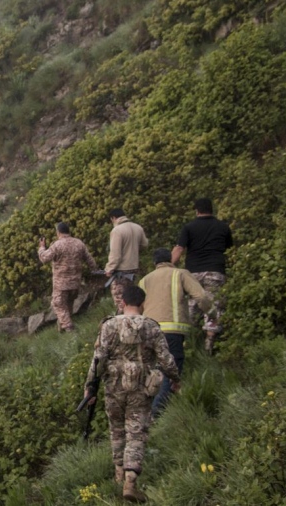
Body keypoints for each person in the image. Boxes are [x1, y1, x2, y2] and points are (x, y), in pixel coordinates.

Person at [83, 285, 181, 503]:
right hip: (141, 388)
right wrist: (175, 379)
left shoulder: (108, 325)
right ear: (143, 304)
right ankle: (130, 480)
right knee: (136, 432)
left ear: (123, 303)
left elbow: (98, 360)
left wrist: (90, 387)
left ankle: (118, 473)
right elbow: (166, 360)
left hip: (114, 387)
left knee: (116, 429)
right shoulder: (151, 327)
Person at [138, 248, 212, 418]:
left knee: (151, 371)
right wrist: (213, 313)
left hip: (148, 332)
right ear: (171, 260)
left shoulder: (144, 280)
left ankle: (143, 411)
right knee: (169, 370)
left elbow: (138, 307)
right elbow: (201, 296)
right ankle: (156, 414)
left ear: (155, 263)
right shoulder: (180, 274)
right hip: (172, 332)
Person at [171, 198, 234, 354]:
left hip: (194, 272)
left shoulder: (189, 227)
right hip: (215, 270)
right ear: (212, 210)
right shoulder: (223, 227)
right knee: (214, 304)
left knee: (192, 304)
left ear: (196, 210)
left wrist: (168, 266)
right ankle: (209, 342)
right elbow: (229, 248)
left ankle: (188, 340)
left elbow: (179, 249)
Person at [38, 222, 98, 332]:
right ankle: (62, 331)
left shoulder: (57, 245)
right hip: (75, 283)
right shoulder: (79, 243)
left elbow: (44, 258)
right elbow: (90, 260)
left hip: (61, 284)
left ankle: (70, 329)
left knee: (58, 305)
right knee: (68, 306)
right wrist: (94, 270)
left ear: (58, 232)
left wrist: (42, 247)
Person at [104, 208, 149, 314]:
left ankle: (121, 323)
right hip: (134, 269)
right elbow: (145, 244)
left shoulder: (117, 230)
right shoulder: (138, 227)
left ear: (113, 218)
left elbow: (115, 254)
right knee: (132, 299)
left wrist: (109, 269)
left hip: (121, 271)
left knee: (121, 301)